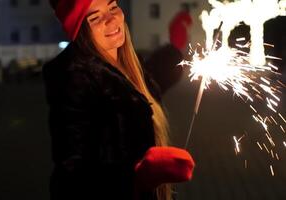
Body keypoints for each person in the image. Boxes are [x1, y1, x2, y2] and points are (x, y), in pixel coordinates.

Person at [43, 1, 195, 200]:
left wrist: (175, 47)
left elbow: (144, 89)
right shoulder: (76, 82)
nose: (112, 18)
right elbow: (72, 179)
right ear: (79, 31)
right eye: (95, 17)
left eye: (113, 7)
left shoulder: (123, 65)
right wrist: (137, 178)